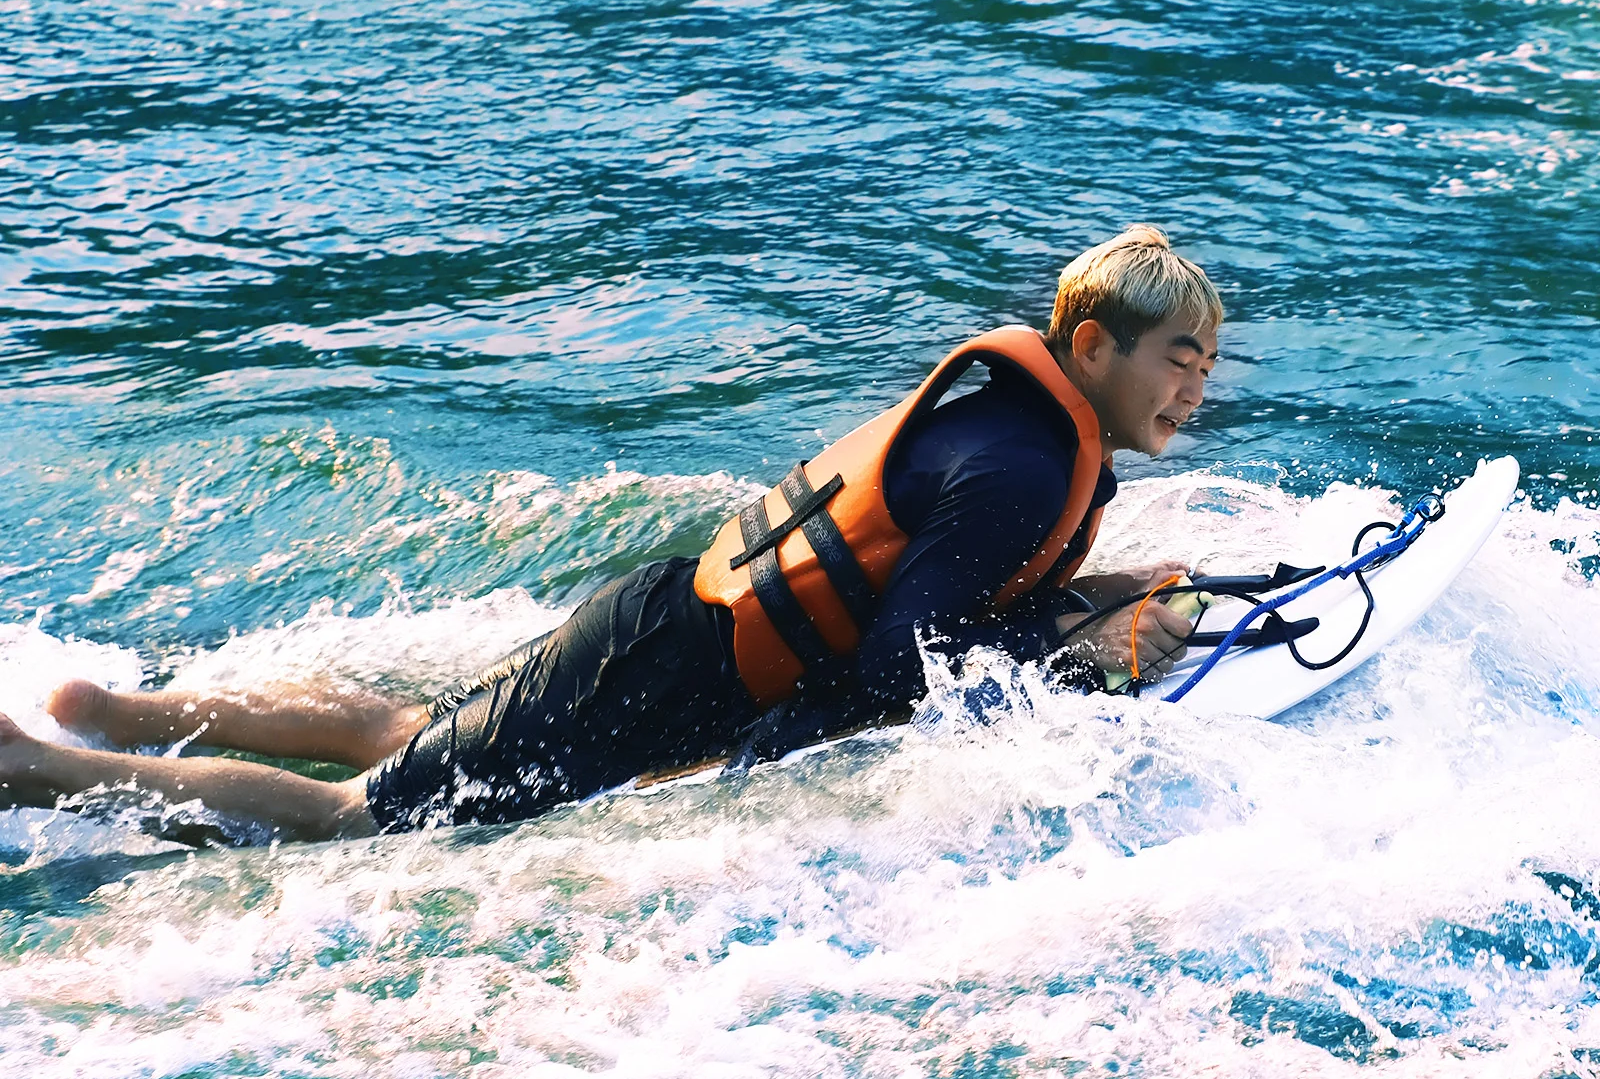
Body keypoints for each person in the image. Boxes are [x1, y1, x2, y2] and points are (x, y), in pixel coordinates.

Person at [0, 226, 1222, 842]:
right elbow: (909, 659)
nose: (1192, 390)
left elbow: (933, 601)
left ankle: (112, 709)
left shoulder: (1020, 435)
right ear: (1092, 346)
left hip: (661, 624)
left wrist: (1100, 594)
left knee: (408, 730)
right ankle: (45, 763)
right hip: (668, 668)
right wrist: (1076, 664)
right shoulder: (1023, 463)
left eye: (1207, 365)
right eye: (1177, 357)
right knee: (360, 817)